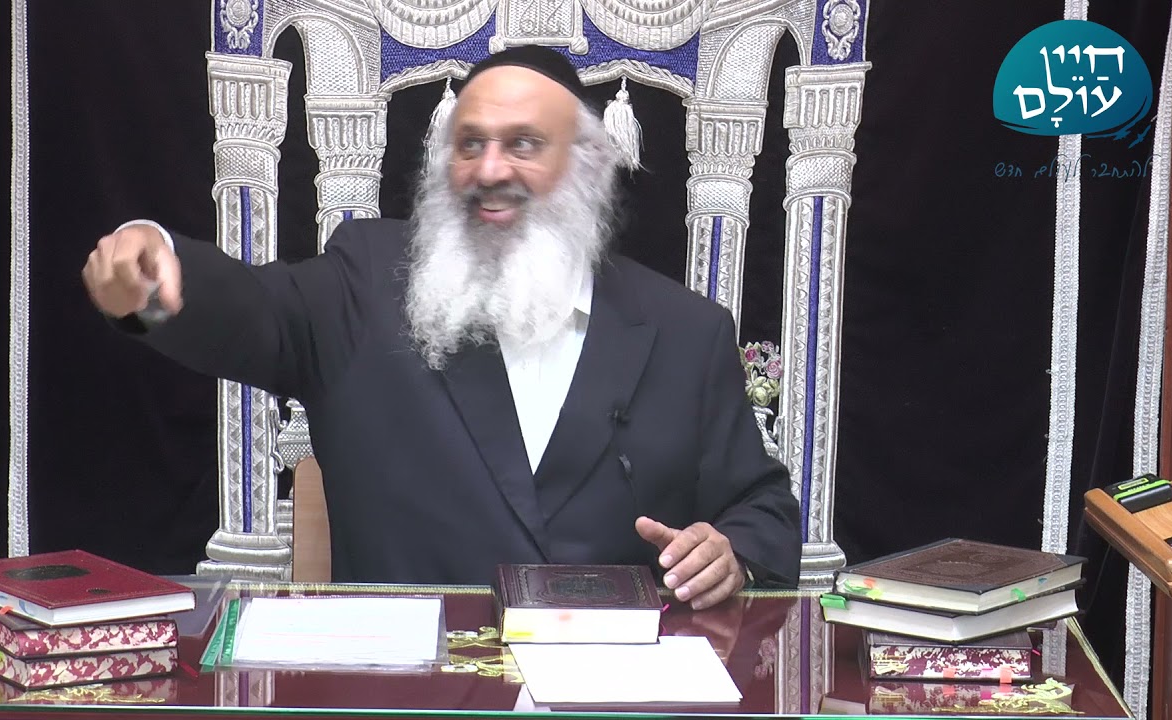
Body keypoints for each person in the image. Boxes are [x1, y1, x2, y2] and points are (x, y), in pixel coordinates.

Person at [82, 45, 801, 610]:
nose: (489, 169)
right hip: (410, 687)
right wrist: (153, 276)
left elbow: (762, 509)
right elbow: (251, 312)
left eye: (524, 144)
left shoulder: (686, 331)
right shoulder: (366, 280)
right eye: (469, 143)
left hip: (612, 691)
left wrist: (732, 553)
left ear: (587, 164)